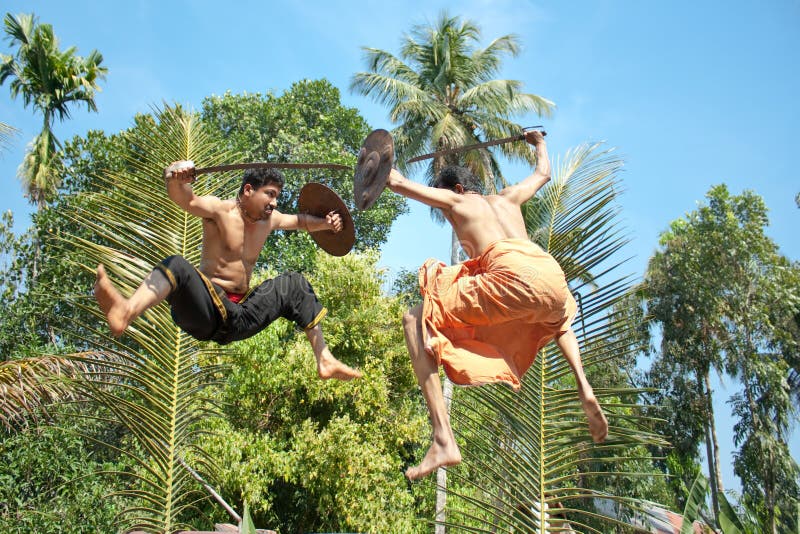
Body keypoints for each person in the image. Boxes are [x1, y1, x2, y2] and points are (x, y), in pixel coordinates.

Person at [385, 131, 608, 480]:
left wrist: (374, 160)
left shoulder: (457, 203)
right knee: (557, 317)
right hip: (550, 273)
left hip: (510, 275)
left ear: (456, 190)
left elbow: (395, 181)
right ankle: (584, 384)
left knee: (414, 318)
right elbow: (543, 173)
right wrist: (539, 144)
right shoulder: (509, 198)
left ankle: (443, 438)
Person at [94, 161, 361, 382]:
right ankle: (126, 312)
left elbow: (302, 222)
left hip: (240, 317)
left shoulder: (269, 220)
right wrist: (174, 177)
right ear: (248, 190)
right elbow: (186, 199)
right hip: (206, 310)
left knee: (294, 284)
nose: (275, 203)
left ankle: (324, 359)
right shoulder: (219, 211)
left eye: (277, 197)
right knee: (177, 265)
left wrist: (327, 224)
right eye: (269, 194)